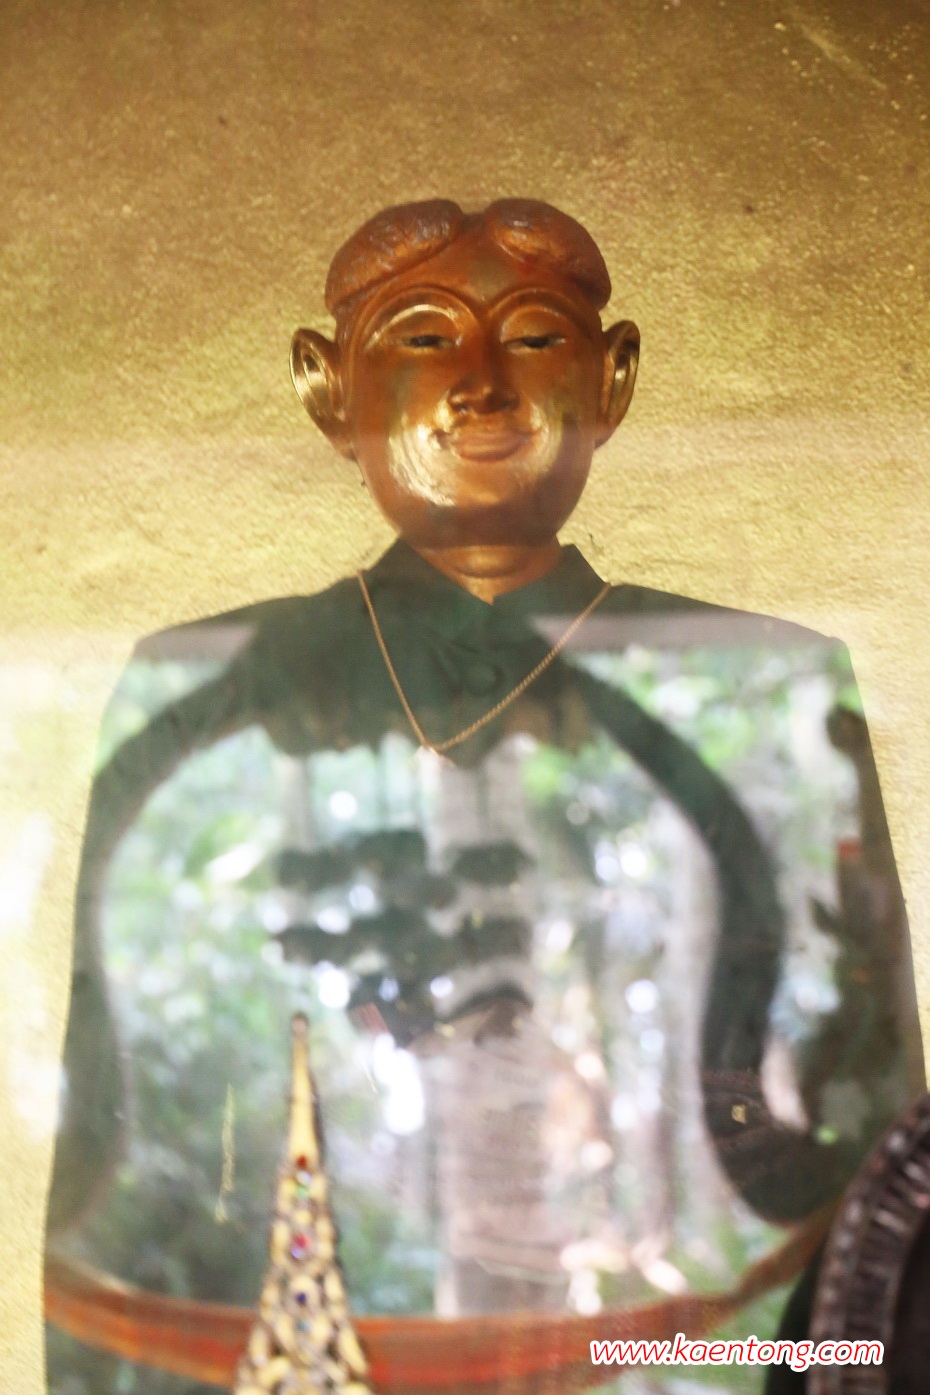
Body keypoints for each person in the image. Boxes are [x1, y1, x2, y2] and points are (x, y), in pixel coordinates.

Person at [45, 200, 922, 1395]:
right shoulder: (211, 688)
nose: (482, 389)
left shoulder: (764, 681)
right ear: (327, 389)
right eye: (422, 337)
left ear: (612, 379)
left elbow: (870, 1164)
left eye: (535, 337)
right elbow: (122, 1145)